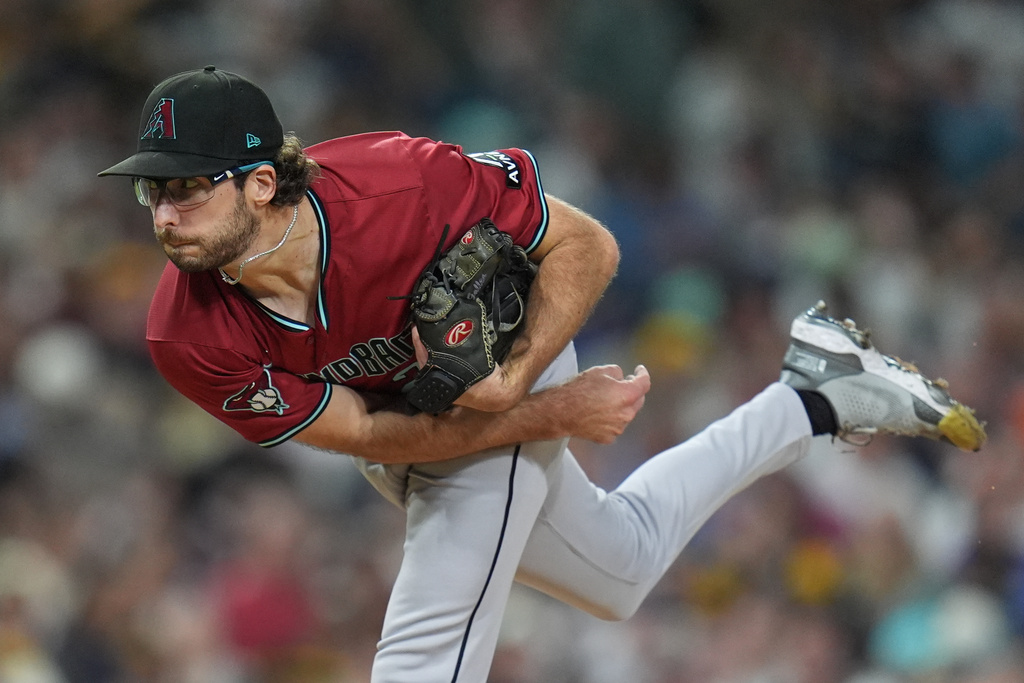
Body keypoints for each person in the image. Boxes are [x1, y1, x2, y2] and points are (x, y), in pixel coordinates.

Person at [98, 66, 985, 682]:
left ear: (259, 183)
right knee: (623, 567)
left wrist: (521, 383)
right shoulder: (186, 334)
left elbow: (585, 242)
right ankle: (814, 395)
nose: (165, 212)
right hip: (423, 425)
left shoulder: (397, 185)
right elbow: (366, 433)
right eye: (153, 191)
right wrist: (548, 413)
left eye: (187, 187)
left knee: (424, 644)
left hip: (503, 355)